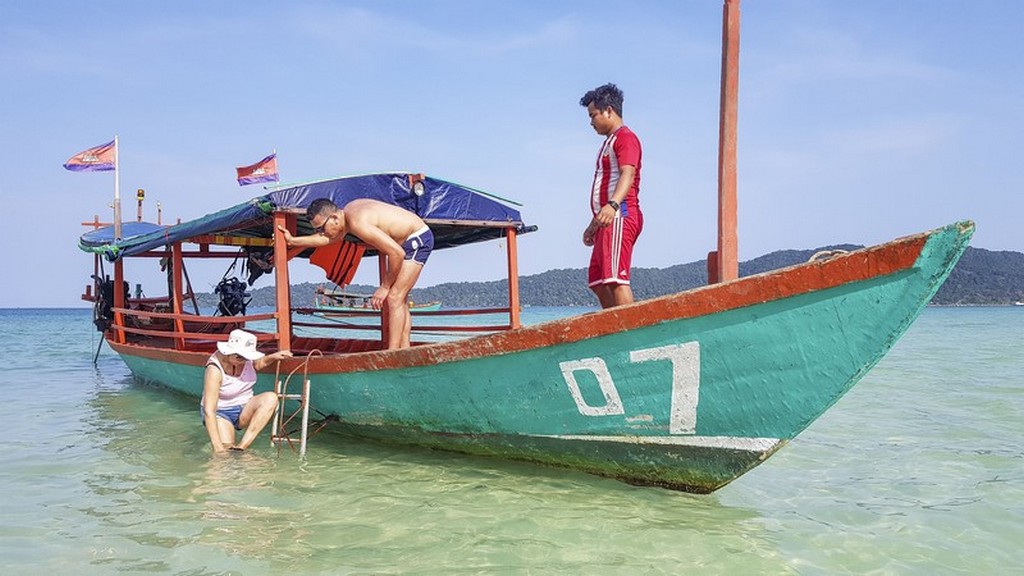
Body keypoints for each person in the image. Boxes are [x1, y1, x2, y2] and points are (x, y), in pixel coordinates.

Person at [278, 198, 433, 350]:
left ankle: (392, 353)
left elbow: (396, 253)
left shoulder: (358, 223)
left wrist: (384, 287)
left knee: (394, 297)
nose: (321, 233)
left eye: (321, 229)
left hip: (416, 238)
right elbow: (328, 239)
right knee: (400, 298)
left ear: (334, 218)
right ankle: (404, 349)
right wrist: (293, 241)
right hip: (405, 241)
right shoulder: (347, 213)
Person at [579, 83, 644, 308]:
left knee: (616, 278)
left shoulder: (626, 137)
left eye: (593, 115)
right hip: (606, 219)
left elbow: (628, 172)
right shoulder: (608, 143)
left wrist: (614, 205)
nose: (591, 122)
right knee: (597, 280)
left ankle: (630, 333)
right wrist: (593, 224)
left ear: (609, 110)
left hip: (621, 214)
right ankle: (613, 324)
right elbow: (604, 186)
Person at [201, 329, 293, 454]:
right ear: (228, 352)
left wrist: (273, 356)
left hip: (245, 408)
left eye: (246, 357)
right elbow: (209, 410)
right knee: (225, 450)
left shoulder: (245, 360)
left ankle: (241, 448)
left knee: (271, 398)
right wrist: (217, 447)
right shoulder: (214, 370)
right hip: (221, 412)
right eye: (239, 357)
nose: (243, 361)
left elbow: (257, 364)